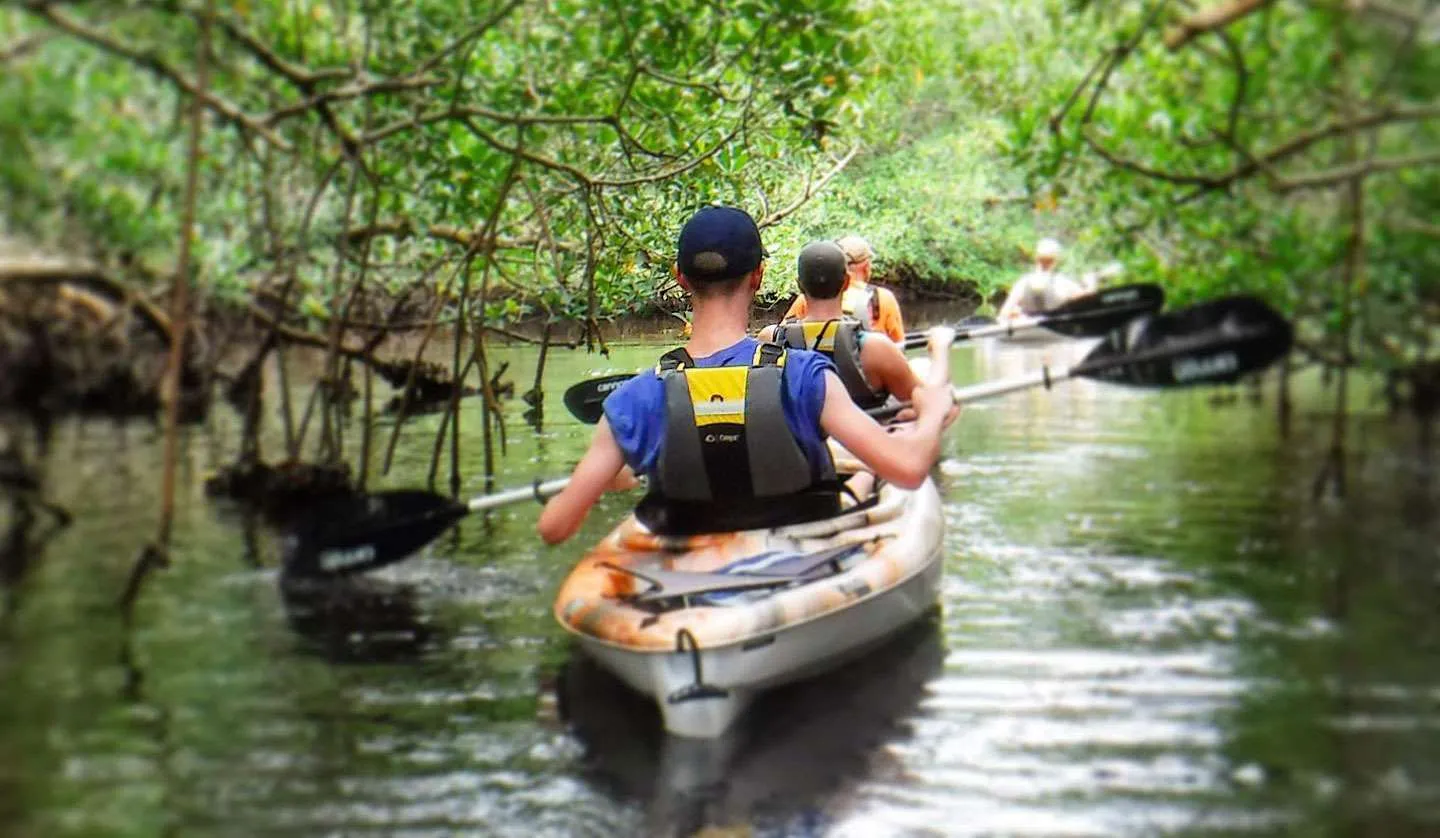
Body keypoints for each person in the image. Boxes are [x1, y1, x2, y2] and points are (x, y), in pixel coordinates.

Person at [537, 206, 957, 545]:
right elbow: (908, 469)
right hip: (799, 556)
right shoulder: (806, 375)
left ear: (680, 278)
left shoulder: (635, 398)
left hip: (687, 572)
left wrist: (617, 475)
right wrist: (935, 409)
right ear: (758, 276)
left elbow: (554, 528)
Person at [760, 240, 920, 411]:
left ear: (799, 285)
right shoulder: (877, 348)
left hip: (799, 425)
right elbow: (923, 401)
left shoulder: (770, 339)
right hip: (863, 424)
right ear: (846, 282)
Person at [782, 235, 905, 343]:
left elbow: (783, 335)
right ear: (866, 265)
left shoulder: (808, 298)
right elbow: (898, 345)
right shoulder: (883, 298)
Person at [998, 237, 1085, 320]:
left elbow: (1003, 315)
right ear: (1056, 260)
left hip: (1031, 329)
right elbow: (1085, 301)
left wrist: (1017, 314)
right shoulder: (1064, 283)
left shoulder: (1023, 283)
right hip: (1057, 328)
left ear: (1036, 258)